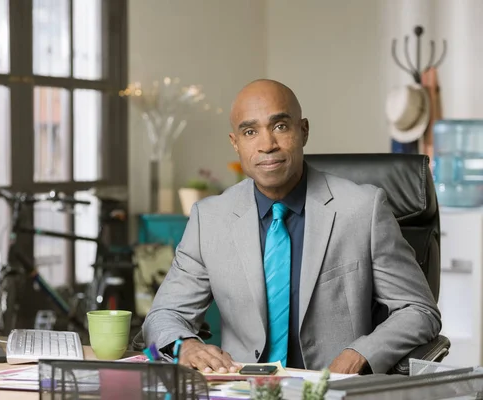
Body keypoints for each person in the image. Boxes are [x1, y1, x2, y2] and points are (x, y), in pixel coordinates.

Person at [141, 79, 441, 375]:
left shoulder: (363, 209)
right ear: (236, 143)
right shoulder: (209, 219)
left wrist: (360, 352)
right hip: (242, 389)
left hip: (329, 390)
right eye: (250, 132)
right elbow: (165, 314)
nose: (267, 145)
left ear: (304, 131)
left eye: (280, 126)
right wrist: (186, 345)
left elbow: (419, 311)